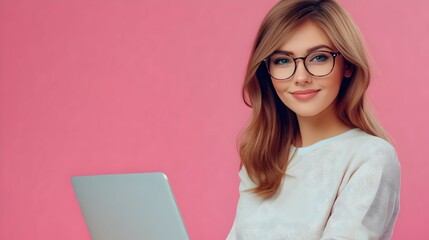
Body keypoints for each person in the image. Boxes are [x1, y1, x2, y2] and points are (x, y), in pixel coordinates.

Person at [226, 0, 400, 239]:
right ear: (267, 71)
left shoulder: (370, 157)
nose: (300, 77)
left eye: (319, 58)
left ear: (347, 64)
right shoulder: (262, 157)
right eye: (282, 60)